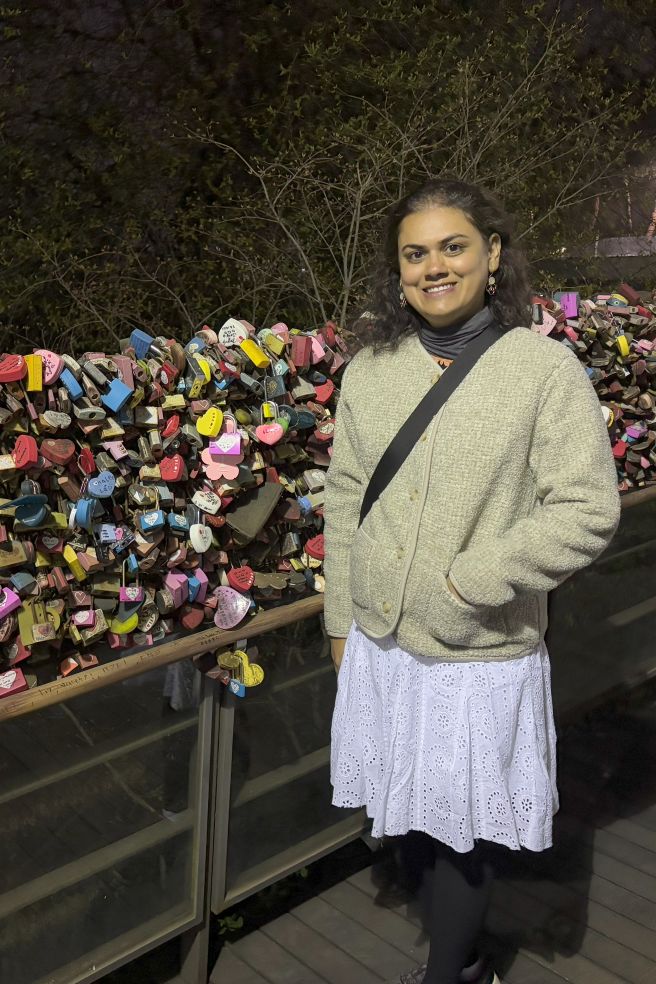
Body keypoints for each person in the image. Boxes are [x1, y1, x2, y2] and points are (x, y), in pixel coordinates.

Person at [323, 178, 621, 984]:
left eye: (452, 246)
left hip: (476, 650)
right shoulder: (372, 370)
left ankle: (447, 975)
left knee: (462, 832)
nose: (433, 268)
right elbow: (348, 496)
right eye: (414, 254)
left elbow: (589, 510)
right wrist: (340, 620)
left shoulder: (542, 372)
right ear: (397, 271)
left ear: (492, 254)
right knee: (413, 818)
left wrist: (469, 582)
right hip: (381, 641)